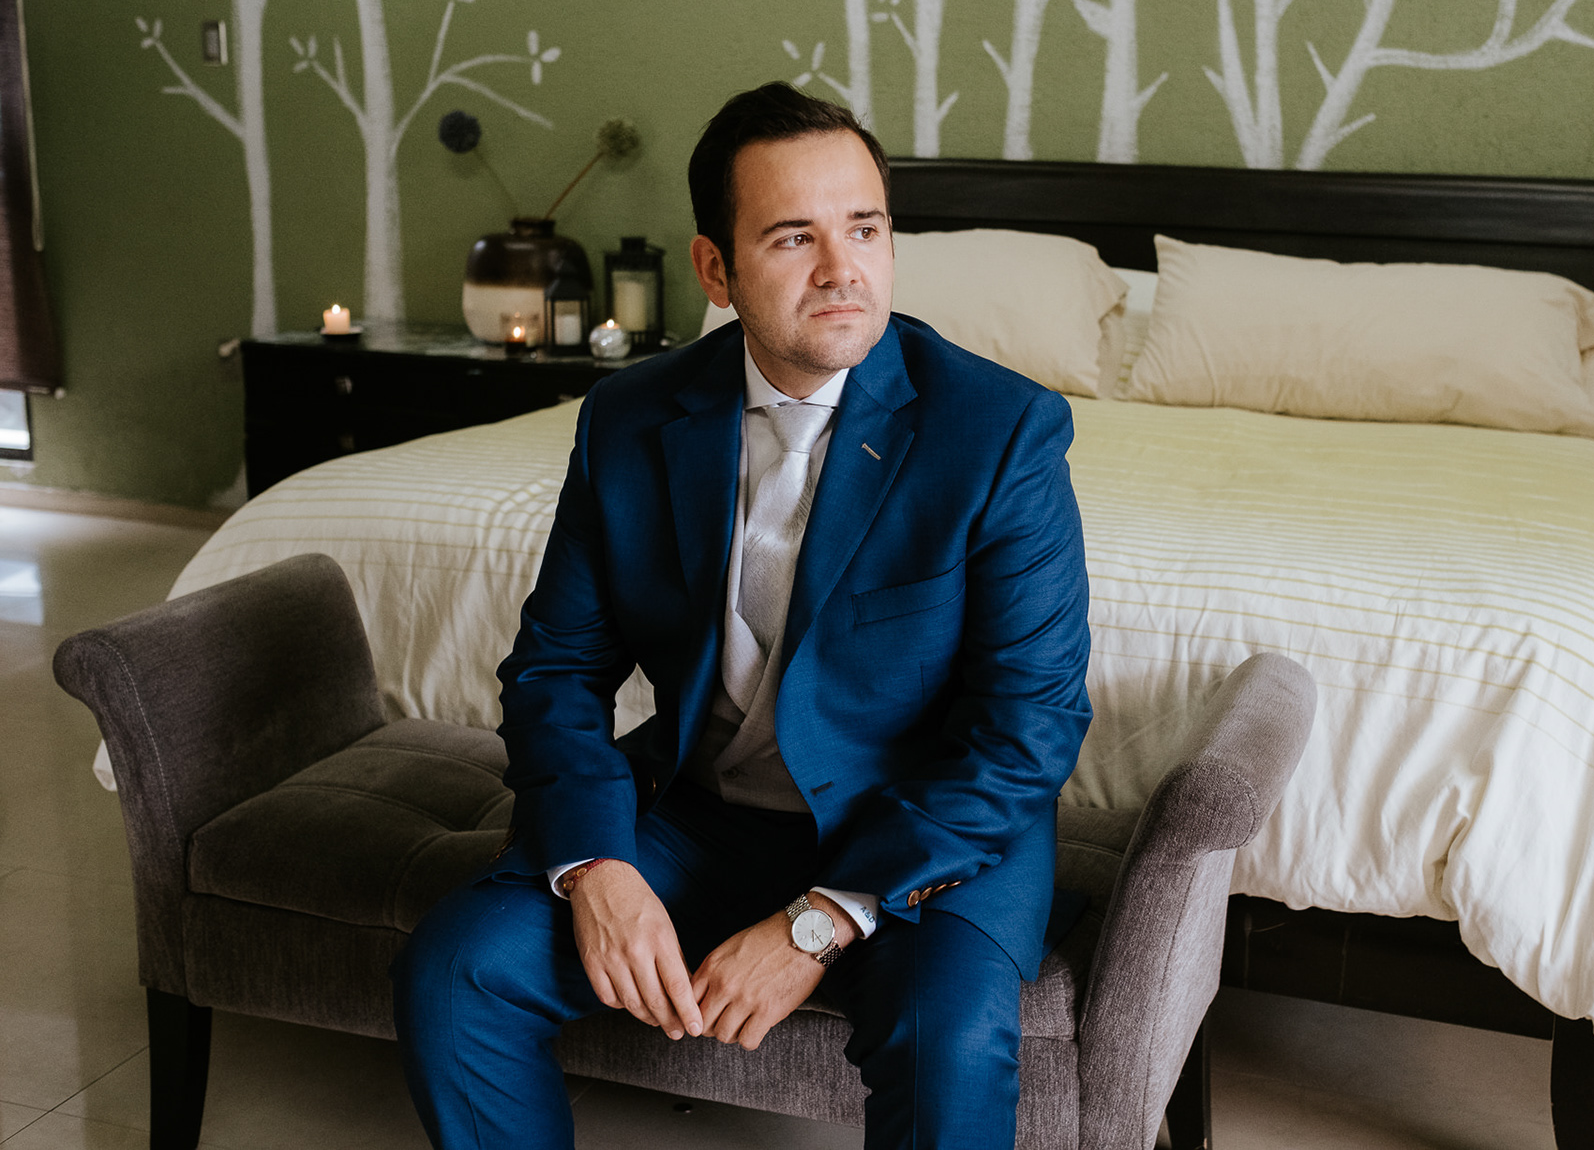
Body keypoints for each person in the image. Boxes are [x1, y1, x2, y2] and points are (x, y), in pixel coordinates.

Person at [392, 82, 1093, 1150]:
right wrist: (596, 864)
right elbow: (555, 670)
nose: (843, 269)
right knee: (456, 972)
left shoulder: (1001, 432)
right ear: (714, 268)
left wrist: (820, 919)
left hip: (923, 828)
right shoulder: (628, 418)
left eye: (865, 228)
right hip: (700, 811)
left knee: (945, 1042)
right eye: (793, 237)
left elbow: (1028, 731)